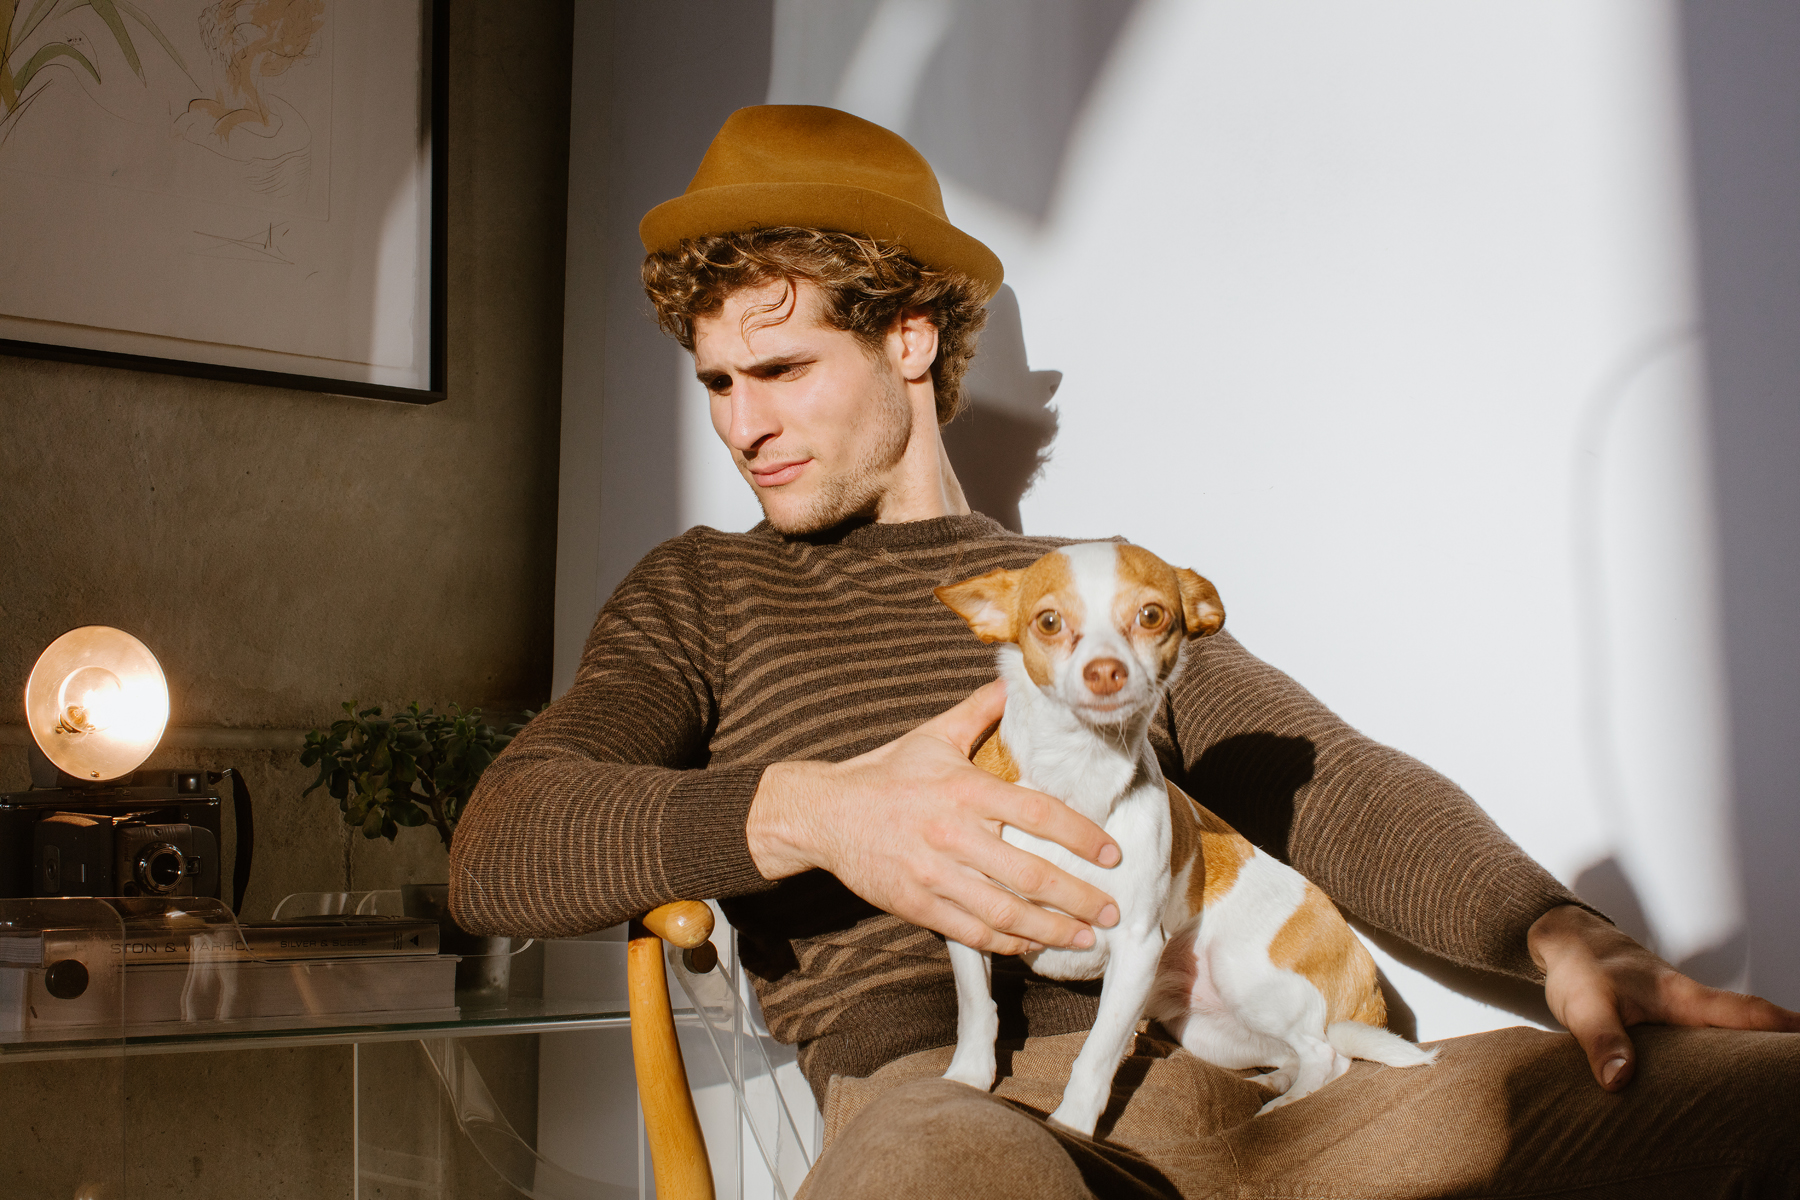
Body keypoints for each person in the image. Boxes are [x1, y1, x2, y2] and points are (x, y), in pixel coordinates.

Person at [450, 105, 1800, 1197]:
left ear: (909, 338)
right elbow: (500, 845)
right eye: (717, 383)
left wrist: (1561, 934)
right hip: (967, 1107)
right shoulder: (703, 590)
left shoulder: (1097, 593)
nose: (741, 427)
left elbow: (1327, 778)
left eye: (783, 370)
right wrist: (824, 812)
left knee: (1761, 1100)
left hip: (1280, 1102)